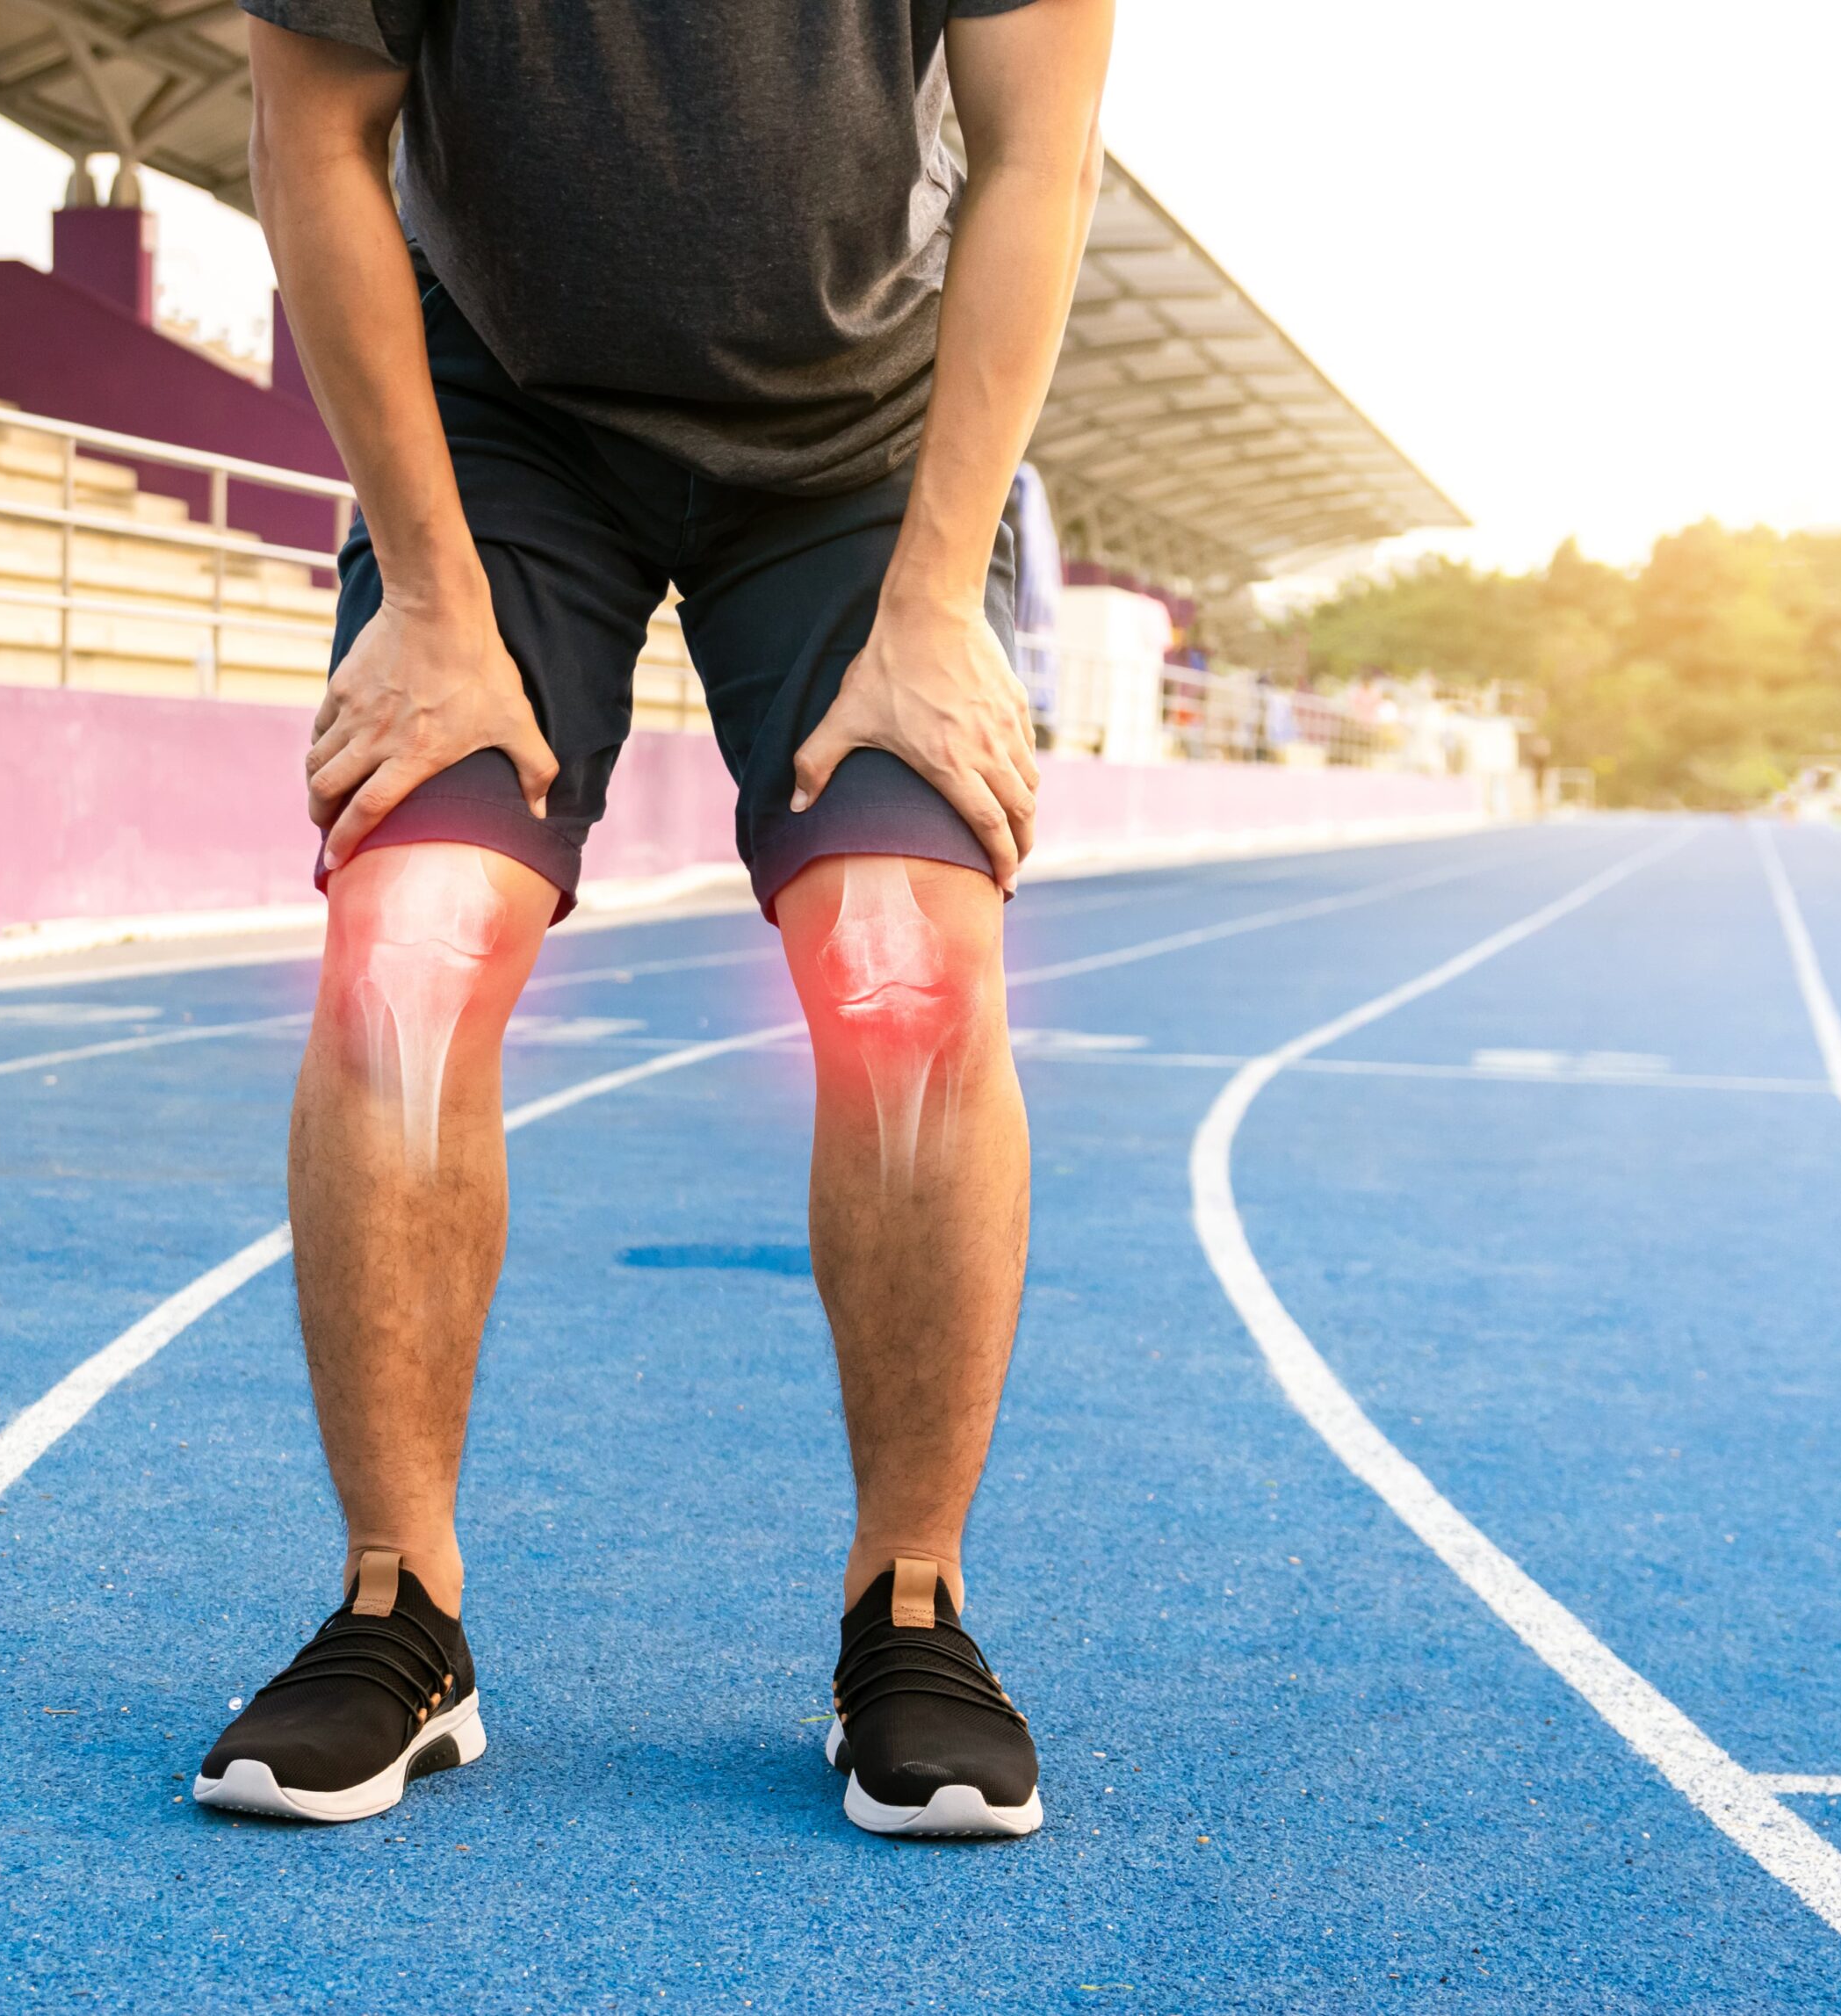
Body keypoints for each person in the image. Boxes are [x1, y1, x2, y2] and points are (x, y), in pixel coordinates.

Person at [190, 0, 1114, 1838]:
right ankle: (398, 1607)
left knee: (908, 959)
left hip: (862, 442)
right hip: (503, 428)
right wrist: (437, 603)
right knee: (408, 945)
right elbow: (313, 145)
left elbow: (1036, 157)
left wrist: (936, 606)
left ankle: (909, 1608)